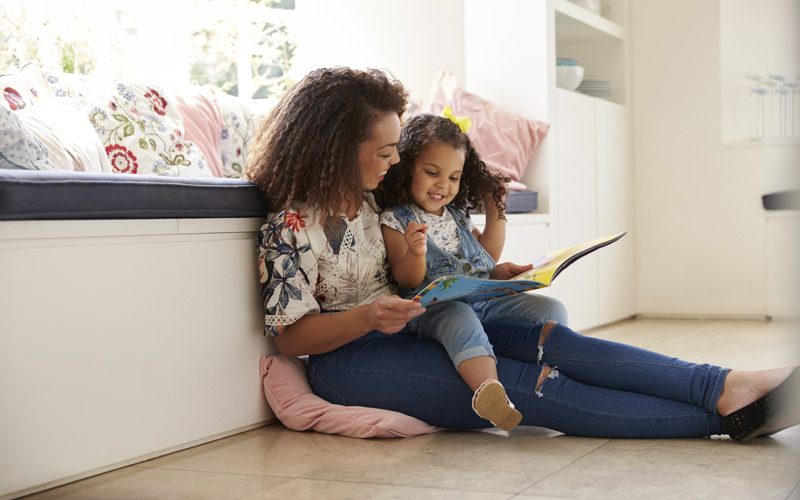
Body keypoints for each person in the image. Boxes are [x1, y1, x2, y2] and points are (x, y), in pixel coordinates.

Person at [246, 66, 799, 441]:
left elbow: (436, 242)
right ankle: (723, 419)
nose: (394, 162)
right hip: (353, 361)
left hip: (419, 322)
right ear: (338, 151)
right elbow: (291, 336)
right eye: (385, 151)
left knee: (558, 344)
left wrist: (488, 277)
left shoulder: (377, 204)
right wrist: (367, 315)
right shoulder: (288, 228)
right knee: (531, 387)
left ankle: (725, 385)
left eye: (396, 150)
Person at [374, 110, 560, 431]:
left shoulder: (456, 215)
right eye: (432, 172)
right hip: (433, 308)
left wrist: (495, 210)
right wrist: (416, 252)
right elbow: (407, 280)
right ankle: (489, 392)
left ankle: (540, 366)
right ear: (406, 169)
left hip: (481, 297)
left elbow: (484, 256)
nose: (443, 186)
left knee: (550, 308)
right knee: (459, 317)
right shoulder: (397, 218)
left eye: (454, 177)